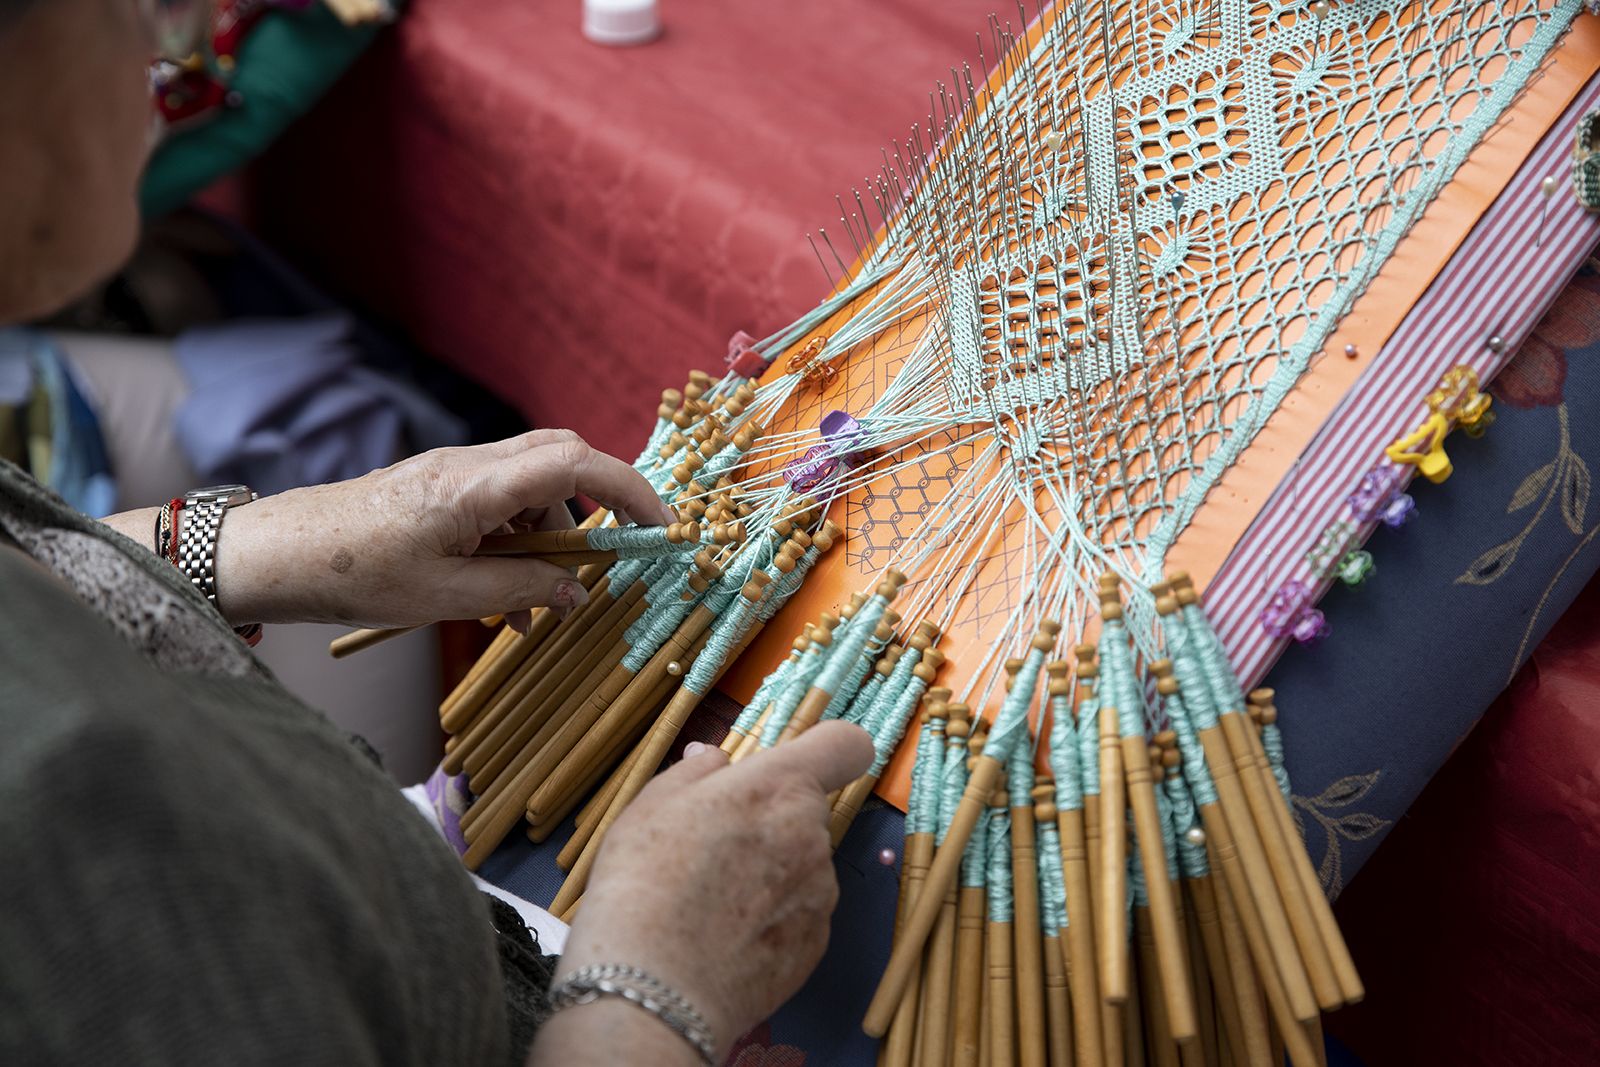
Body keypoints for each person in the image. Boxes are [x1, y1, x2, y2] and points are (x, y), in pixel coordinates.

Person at [0, 1, 872, 1063]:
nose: (163, 48)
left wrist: (265, 543)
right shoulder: (55, 808)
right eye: (117, 5)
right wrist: (648, 998)